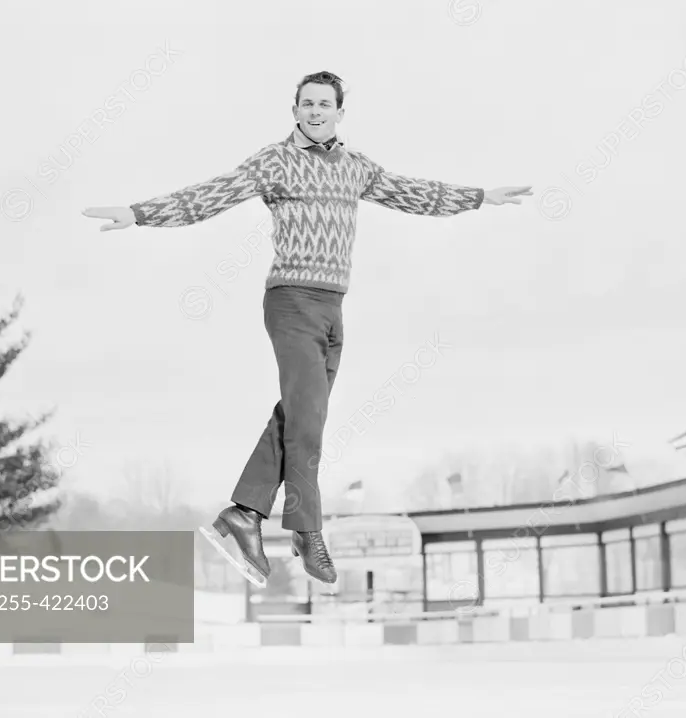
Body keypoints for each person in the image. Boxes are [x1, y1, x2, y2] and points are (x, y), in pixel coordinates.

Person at [83, 71, 533, 587]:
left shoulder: (355, 168)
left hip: (333, 308)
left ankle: (245, 514)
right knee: (309, 426)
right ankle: (305, 530)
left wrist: (479, 197)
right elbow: (210, 195)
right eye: (306, 104)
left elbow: (412, 193)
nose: (316, 111)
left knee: (300, 416)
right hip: (291, 303)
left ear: (342, 111)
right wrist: (138, 214)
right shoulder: (275, 161)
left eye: (325, 104)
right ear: (294, 110)